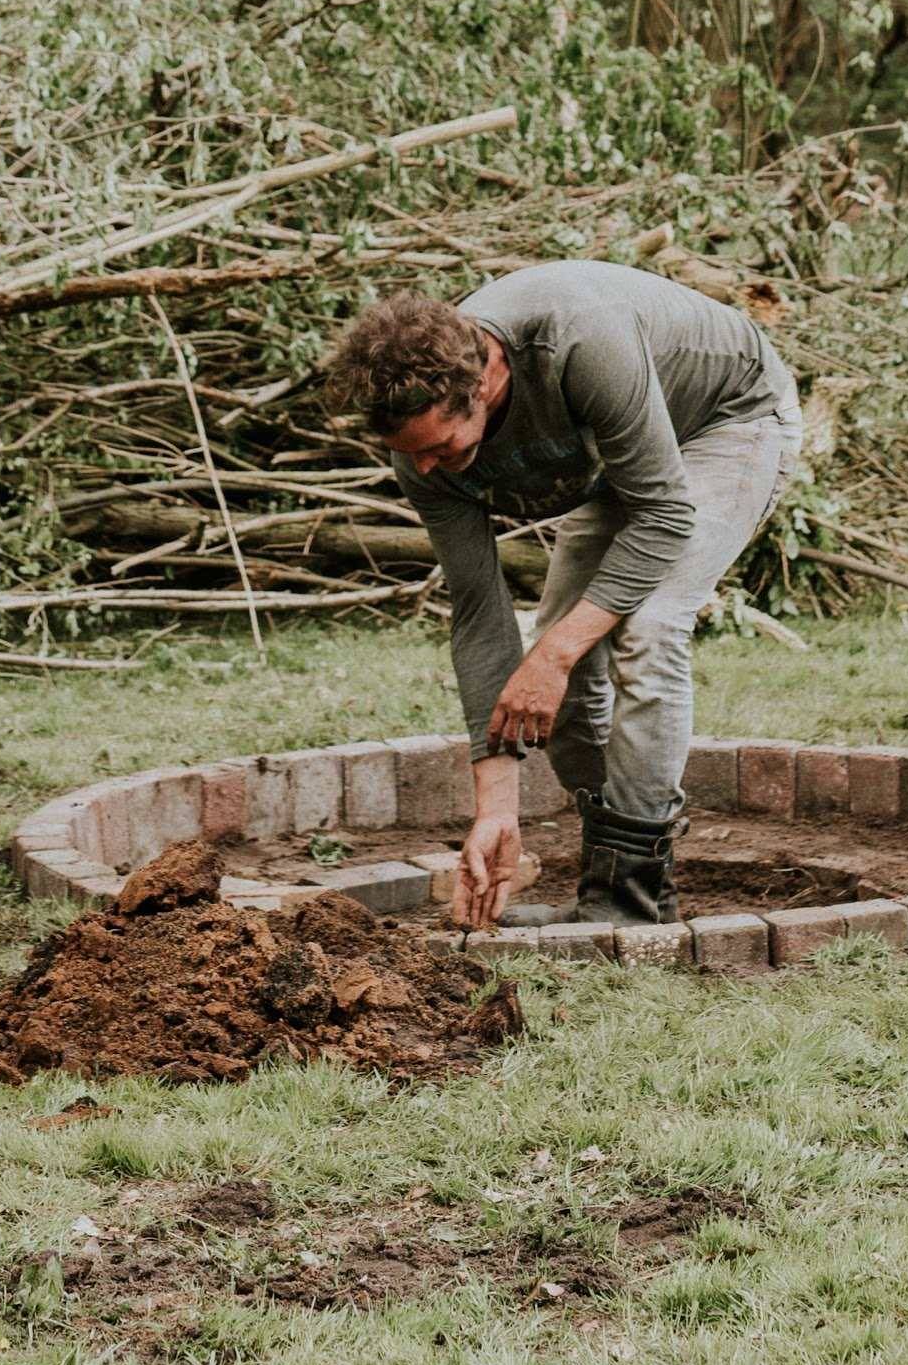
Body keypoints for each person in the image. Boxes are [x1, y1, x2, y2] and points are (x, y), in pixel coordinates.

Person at [319, 261, 802, 930]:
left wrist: (553, 654)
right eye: (412, 455)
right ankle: (606, 881)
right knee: (565, 662)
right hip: (624, 459)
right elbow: (479, 614)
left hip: (729, 419)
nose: (423, 469)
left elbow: (663, 515)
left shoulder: (578, 338)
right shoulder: (419, 448)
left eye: (442, 447)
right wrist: (496, 808)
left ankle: (631, 901)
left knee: (648, 626)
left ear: (485, 380)